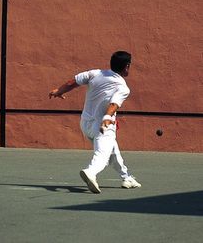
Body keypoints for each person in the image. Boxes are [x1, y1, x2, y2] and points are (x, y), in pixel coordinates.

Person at [49, 51, 141, 193]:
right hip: (103, 126)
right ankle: (90, 172)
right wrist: (107, 119)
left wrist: (59, 91)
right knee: (102, 156)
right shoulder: (123, 87)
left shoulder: (95, 73)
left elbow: (72, 82)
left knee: (112, 151)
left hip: (85, 125)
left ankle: (126, 177)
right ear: (127, 66)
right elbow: (114, 105)